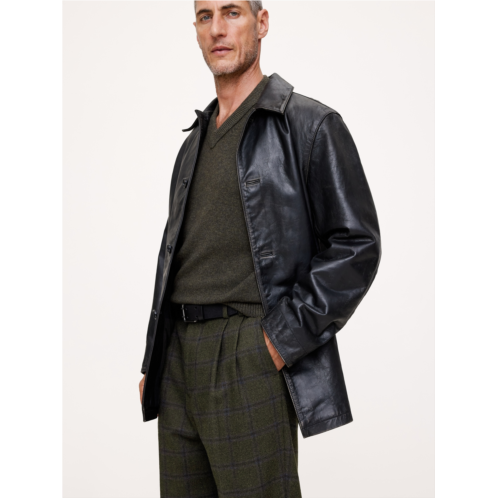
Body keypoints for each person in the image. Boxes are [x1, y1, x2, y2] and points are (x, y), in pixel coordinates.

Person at [139, 0, 381, 495]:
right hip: (178, 362)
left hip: (248, 353)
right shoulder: (193, 142)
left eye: (232, 12)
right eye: (205, 16)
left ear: (262, 23)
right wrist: (155, 357)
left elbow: (357, 245)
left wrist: (277, 341)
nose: (217, 29)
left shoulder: (308, 124)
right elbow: (179, 257)